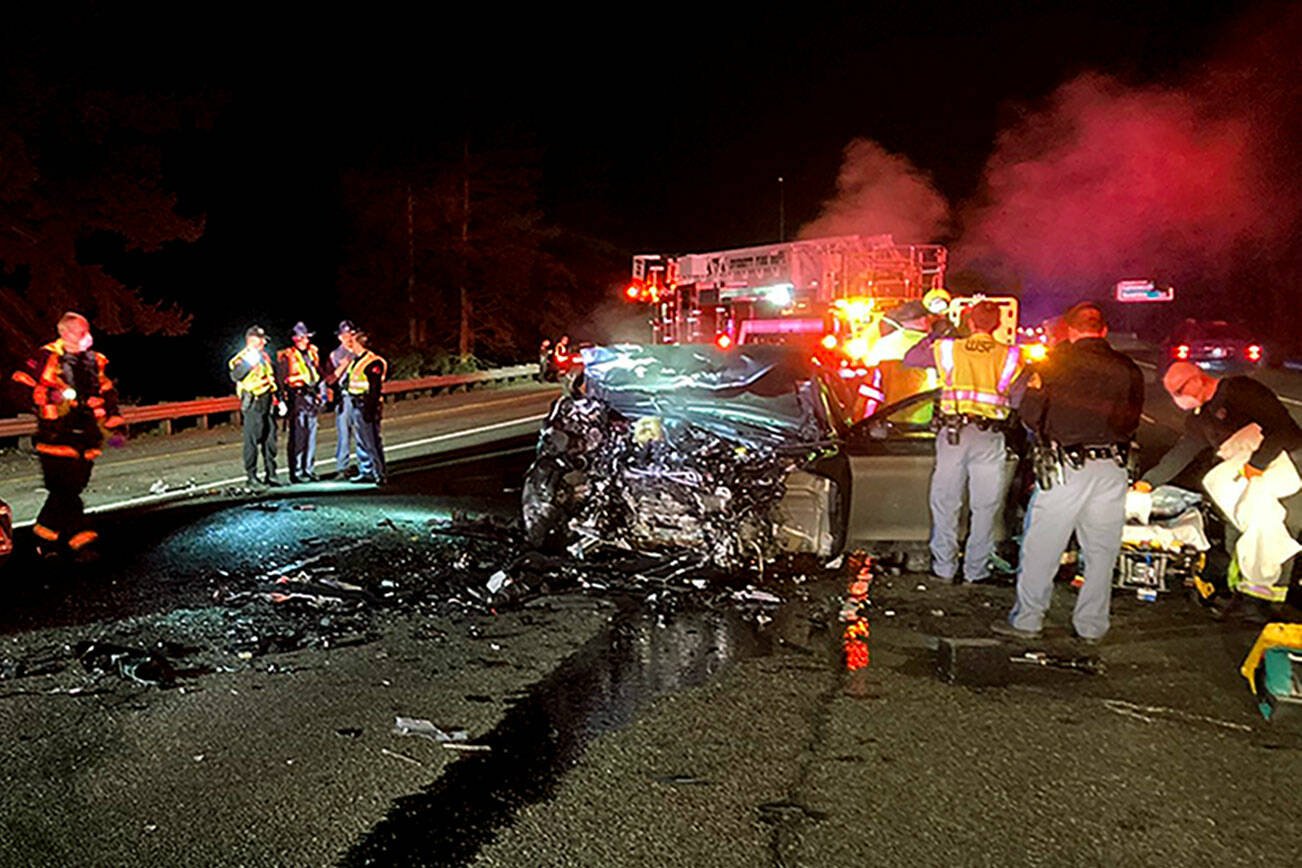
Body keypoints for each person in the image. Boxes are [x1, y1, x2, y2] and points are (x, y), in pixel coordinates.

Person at [993, 302, 1144, 644]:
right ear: (1103, 331)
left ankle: (1028, 621)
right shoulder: (1128, 368)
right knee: (1102, 552)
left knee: (1042, 546)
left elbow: (1030, 414)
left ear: (1071, 331)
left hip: (1065, 470)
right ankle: (1092, 626)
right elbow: (1132, 419)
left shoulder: (1054, 364)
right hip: (1113, 469)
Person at [1135, 362, 1302, 609]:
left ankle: (1269, 600)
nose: (1177, 399)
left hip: (1285, 470)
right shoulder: (1201, 417)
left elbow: (1282, 429)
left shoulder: (1241, 391)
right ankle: (1243, 591)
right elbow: (1184, 451)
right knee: (1237, 531)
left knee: (1275, 530)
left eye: (1179, 391)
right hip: (1248, 479)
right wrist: (1148, 482)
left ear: (1196, 380)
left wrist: (1258, 463)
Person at [904, 301, 1026, 583]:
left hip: (953, 435)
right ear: (997, 324)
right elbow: (1019, 400)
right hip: (990, 436)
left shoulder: (949, 348)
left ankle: (944, 568)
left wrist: (939, 333)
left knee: (945, 502)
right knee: (985, 507)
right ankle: (975, 570)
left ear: (969, 322)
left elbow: (911, 359)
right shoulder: (1010, 355)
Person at [11, 312, 125, 559]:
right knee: (65, 490)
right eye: (81, 331)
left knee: (68, 491)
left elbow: (107, 392)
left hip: (87, 436)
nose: (87, 335)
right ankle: (81, 540)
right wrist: (45, 396)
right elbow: (20, 382)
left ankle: (43, 539)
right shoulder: (44, 357)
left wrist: (114, 424)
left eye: (87, 330)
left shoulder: (96, 361)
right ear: (65, 333)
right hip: (56, 436)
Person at [228, 325, 281, 487]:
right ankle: (251, 477)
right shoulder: (241, 358)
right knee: (252, 440)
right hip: (253, 402)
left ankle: (271, 474)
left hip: (267, 401)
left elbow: (271, 377)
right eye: (262, 340)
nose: (264, 343)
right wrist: (248, 363)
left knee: (270, 439)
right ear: (252, 340)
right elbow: (235, 376)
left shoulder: (264, 357)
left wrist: (278, 398)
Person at [277, 322, 325, 483]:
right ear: (295, 339)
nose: (306, 340)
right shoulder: (288, 355)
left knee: (311, 435)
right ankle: (296, 471)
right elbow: (282, 379)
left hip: (311, 397)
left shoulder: (313, 352)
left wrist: (321, 393)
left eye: (307, 337)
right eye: (303, 337)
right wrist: (282, 400)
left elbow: (318, 373)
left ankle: (309, 469)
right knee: (298, 436)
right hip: (297, 397)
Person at [340, 328, 387, 485]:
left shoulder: (373, 362)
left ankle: (379, 473)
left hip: (366, 403)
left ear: (358, 343)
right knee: (361, 440)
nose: (349, 344)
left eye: (352, 341)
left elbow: (375, 388)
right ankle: (366, 471)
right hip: (356, 403)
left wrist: (370, 409)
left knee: (371, 440)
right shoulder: (356, 360)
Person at [328, 320, 358, 479]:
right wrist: (345, 364)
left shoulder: (361, 352)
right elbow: (331, 379)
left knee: (363, 432)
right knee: (344, 433)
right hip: (345, 396)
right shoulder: (336, 354)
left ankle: (366, 465)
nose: (350, 338)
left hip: (359, 396)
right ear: (340, 337)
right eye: (346, 335)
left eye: (352, 334)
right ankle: (342, 467)